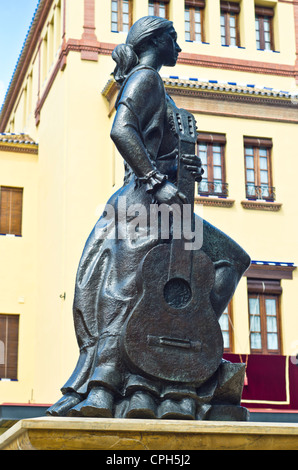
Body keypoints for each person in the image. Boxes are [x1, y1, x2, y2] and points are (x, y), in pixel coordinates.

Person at [47, 16, 250, 420]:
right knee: (215, 262)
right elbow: (122, 130)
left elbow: (151, 145)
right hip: (146, 203)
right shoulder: (146, 79)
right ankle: (175, 353)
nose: (181, 48)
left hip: (158, 204)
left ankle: (180, 351)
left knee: (212, 264)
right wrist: (158, 180)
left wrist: (179, 165)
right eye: (176, 39)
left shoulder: (156, 87)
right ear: (157, 41)